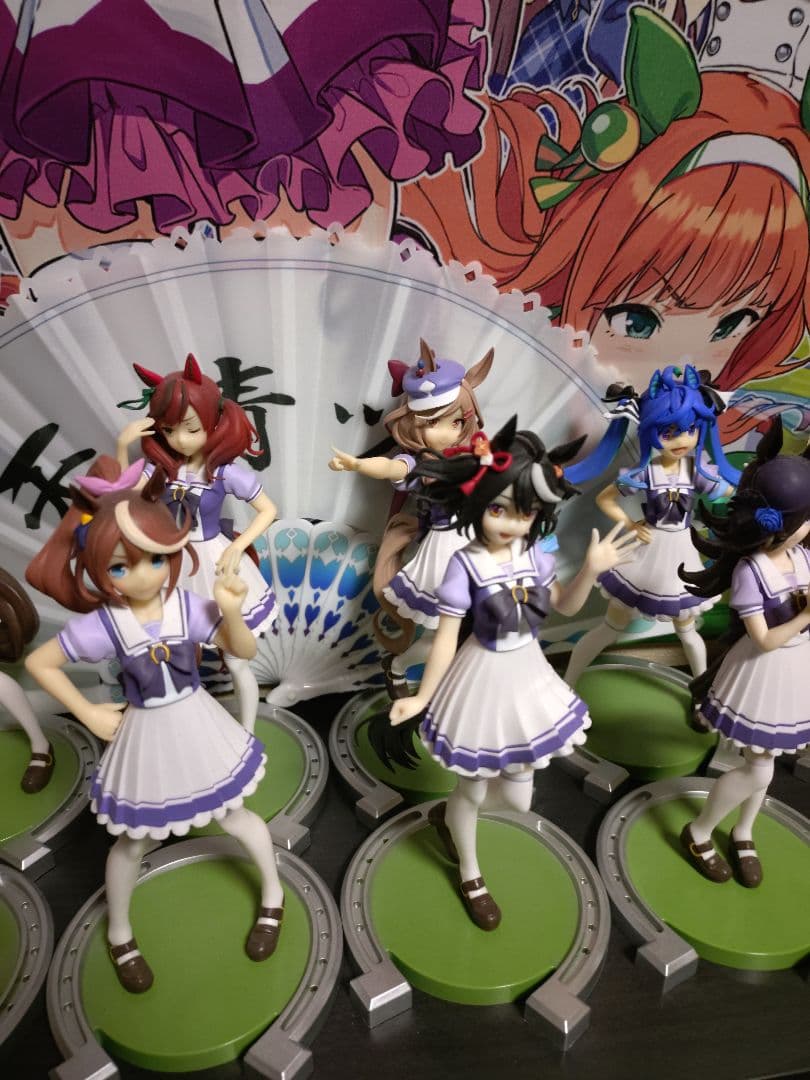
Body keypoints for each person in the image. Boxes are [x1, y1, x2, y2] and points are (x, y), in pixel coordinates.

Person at [25, 458, 284, 991]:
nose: (144, 575)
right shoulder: (106, 625)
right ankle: (121, 931)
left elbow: (243, 650)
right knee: (131, 841)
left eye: (156, 558)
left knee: (237, 816)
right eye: (122, 567)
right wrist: (87, 711)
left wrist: (232, 612)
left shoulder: (186, 606)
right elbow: (39, 663)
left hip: (197, 722)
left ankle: (273, 894)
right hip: (144, 734)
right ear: (98, 570)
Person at [385, 417, 639, 928]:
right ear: (479, 503)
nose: (511, 522)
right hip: (480, 677)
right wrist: (421, 696)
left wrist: (591, 567)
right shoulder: (465, 564)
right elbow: (446, 639)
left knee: (519, 800)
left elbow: (566, 607)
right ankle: (470, 870)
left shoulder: (537, 556)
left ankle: (450, 816)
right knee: (472, 787)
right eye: (499, 509)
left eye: (524, 512)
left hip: (528, 676)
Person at [678, 420, 810, 887]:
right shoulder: (750, 572)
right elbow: (763, 639)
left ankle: (744, 830)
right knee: (759, 767)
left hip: (792, 670)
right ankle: (698, 831)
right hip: (762, 670)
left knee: (764, 762)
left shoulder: (801, 558)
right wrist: (804, 616)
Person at [117, 353, 277, 732]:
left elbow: (268, 510)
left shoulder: (224, 473)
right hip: (171, 564)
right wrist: (123, 447)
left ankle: (247, 731)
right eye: (169, 430)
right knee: (175, 651)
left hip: (212, 561)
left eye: (190, 428)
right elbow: (125, 498)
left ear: (211, 420)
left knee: (237, 660)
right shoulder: (161, 469)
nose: (179, 440)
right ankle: (190, 729)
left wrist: (237, 546)